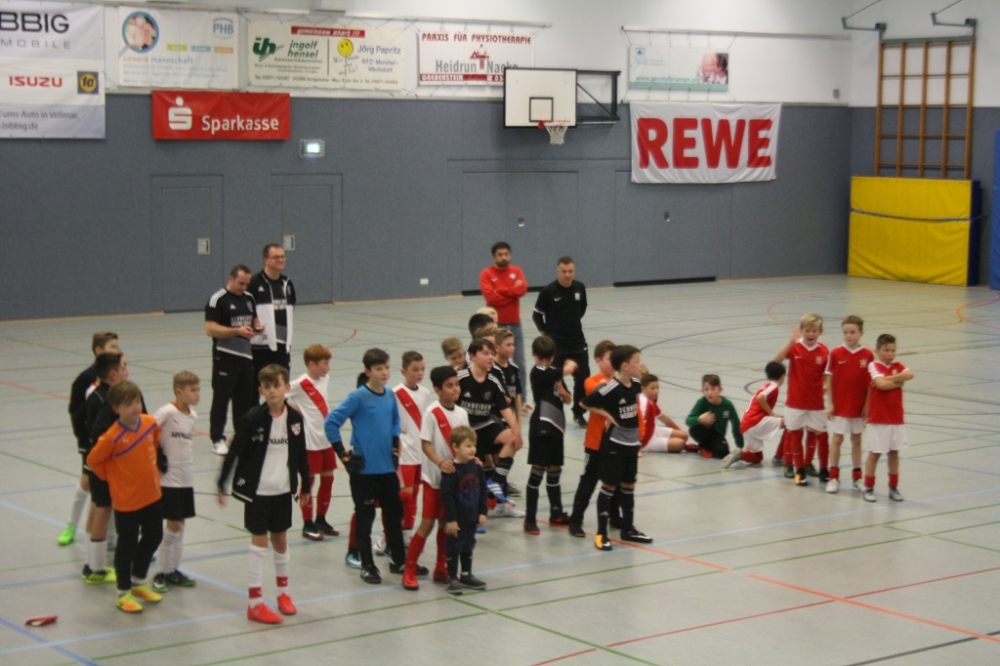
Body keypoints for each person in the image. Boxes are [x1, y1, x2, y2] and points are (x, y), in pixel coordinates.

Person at [217, 364, 311, 624]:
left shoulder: (295, 419)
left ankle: (283, 593)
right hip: (258, 492)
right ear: (260, 390)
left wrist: (306, 485)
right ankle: (255, 603)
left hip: (282, 490)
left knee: (280, 540)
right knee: (259, 542)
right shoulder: (253, 419)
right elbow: (235, 451)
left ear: (286, 387)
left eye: (276, 386)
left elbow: (301, 454)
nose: (272, 391)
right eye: (267, 387)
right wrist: (222, 482)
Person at [324, 348, 407, 585]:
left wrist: (394, 445)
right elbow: (331, 422)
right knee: (365, 517)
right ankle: (367, 565)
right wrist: (343, 455)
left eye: (386, 367)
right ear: (368, 371)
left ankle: (399, 560)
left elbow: (395, 421)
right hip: (364, 472)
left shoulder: (390, 395)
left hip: (387, 469)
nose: (384, 372)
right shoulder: (358, 397)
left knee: (394, 515)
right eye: (379, 369)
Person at [87, 381, 163, 613]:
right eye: (129, 404)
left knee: (154, 536)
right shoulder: (111, 437)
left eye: (137, 401)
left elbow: (155, 444)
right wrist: (112, 478)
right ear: (116, 408)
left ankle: (138, 581)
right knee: (127, 545)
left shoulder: (150, 423)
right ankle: (123, 592)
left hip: (151, 494)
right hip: (127, 501)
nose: (136, 407)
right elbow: (93, 461)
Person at [402, 366, 469, 590]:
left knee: (445, 524)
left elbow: (466, 443)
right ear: (438, 390)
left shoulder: (462, 414)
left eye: (457, 385)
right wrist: (440, 462)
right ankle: (409, 569)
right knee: (427, 524)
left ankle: (441, 567)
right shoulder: (432, 413)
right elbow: (426, 444)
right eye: (449, 386)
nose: (455, 389)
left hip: (453, 482)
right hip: (434, 481)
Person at [581, 344, 653, 551]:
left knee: (629, 485)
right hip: (614, 445)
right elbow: (585, 403)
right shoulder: (610, 388)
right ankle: (601, 534)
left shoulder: (636, 384)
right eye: (637, 362)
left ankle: (628, 529)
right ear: (625, 366)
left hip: (631, 445)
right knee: (609, 487)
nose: (640, 365)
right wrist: (607, 415)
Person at [59, 331, 119, 546]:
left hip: (112, 446)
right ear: (99, 350)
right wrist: (84, 442)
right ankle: (71, 526)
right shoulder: (85, 379)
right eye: (113, 347)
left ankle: (111, 538)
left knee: (111, 490)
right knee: (86, 483)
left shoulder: (117, 377)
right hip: (91, 444)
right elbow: (76, 413)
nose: (117, 350)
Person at [456, 339, 524, 517]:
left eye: (492, 354)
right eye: (485, 353)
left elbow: (504, 407)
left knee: (512, 439)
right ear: (472, 356)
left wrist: (516, 430)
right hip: (467, 431)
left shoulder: (493, 380)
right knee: (469, 475)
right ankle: (473, 515)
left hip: (486, 425)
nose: (490, 357)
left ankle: (496, 481)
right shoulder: (461, 378)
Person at [80, 351, 129, 584]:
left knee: (99, 508)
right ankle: (96, 569)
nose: (127, 371)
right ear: (113, 374)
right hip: (101, 465)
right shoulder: (105, 401)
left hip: (95, 462)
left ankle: (91, 563)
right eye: (123, 367)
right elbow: (101, 436)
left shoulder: (98, 396)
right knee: (102, 509)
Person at [151, 371, 200, 592]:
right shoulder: (167, 412)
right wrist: (156, 455)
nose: (197, 394)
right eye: (193, 390)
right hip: (168, 479)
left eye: (198, 389)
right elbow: (148, 431)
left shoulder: (193, 416)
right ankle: (160, 572)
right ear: (179, 391)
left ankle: (173, 570)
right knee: (173, 525)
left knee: (181, 525)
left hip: (186, 478)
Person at [205, 265, 261, 456]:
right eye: (240, 283)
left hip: (246, 357)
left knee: (244, 400)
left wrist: (258, 326)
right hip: (225, 356)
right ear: (231, 278)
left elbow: (254, 320)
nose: (243, 287)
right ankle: (217, 439)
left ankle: (241, 436)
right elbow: (210, 329)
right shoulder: (218, 299)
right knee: (221, 399)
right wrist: (237, 331)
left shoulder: (249, 298)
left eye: (246, 284)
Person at [523, 335, 576, 534]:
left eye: (548, 359)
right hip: (541, 426)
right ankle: (530, 519)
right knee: (538, 470)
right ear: (534, 356)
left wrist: (563, 392)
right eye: (541, 359)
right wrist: (567, 368)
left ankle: (556, 513)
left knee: (555, 469)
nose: (544, 363)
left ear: (552, 357)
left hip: (557, 426)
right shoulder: (538, 372)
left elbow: (568, 400)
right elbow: (551, 373)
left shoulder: (555, 373)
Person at [286, 344, 339, 541]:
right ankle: (307, 523)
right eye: (324, 364)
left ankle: (321, 519)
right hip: (310, 442)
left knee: (328, 479)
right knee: (308, 482)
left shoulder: (325, 379)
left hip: (326, 439)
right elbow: (278, 396)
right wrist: (295, 411)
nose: (328, 368)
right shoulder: (300, 384)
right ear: (312, 364)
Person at [533, 256, 590, 427]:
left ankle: (578, 412)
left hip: (577, 341)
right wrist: (546, 334)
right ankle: (557, 408)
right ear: (558, 272)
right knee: (556, 378)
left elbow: (582, 309)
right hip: (556, 344)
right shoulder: (548, 291)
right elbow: (537, 315)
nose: (567, 275)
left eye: (570, 271)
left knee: (584, 378)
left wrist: (571, 323)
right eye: (564, 271)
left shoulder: (579, 288)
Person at [773, 314, 830, 486]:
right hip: (795, 401)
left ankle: (813, 465)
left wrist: (825, 387)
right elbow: (776, 361)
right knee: (794, 433)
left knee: (819, 434)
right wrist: (790, 342)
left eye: (814, 331)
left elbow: (827, 374)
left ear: (820, 332)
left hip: (816, 402)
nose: (811, 334)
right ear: (801, 331)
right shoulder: (795, 347)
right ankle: (793, 467)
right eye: (807, 330)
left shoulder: (824, 350)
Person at [567, 340, 616, 537]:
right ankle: (575, 520)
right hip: (595, 441)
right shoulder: (591, 381)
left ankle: (615, 516)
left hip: (614, 440)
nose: (613, 363)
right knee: (589, 480)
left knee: (615, 479)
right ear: (598, 360)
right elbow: (597, 392)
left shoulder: (620, 381)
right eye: (609, 359)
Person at [824, 315, 875, 493]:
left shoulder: (868, 355)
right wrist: (830, 403)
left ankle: (857, 478)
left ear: (861, 333)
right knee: (837, 439)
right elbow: (829, 379)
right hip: (840, 406)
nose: (848, 335)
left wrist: (867, 405)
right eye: (845, 332)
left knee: (856, 440)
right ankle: (833, 477)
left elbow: (871, 383)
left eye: (852, 332)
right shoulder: (836, 353)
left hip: (858, 407)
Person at [863, 334, 914, 502]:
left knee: (894, 453)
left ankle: (893, 487)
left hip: (896, 418)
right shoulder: (873, 365)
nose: (890, 354)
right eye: (886, 350)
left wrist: (889, 379)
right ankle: (868, 487)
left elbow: (910, 374)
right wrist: (897, 381)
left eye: (893, 350)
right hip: (878, 419)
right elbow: (881, 385)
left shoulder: (898, 366)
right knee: (875, 453)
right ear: (877, 351)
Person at [440, 426, 488, 595]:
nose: (472, 449)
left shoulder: (476, 467)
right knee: (454, 547)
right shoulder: (451, 471)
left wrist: (482, 512)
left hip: (471, 516)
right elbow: (447, 497)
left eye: (473, 445)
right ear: (455, 447)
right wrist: (451, 519)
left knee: (468, 545)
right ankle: (452, 577)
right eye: (468, 446)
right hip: (457, 519)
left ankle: (466, 574)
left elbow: (483, 490)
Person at [480, 242, 528, 393]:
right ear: (494, 257)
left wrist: (500, 290)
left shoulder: (517, 271)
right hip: (496, 327)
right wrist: (512, 292)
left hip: (515, 325)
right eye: (500, 255)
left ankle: (522, 398)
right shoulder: (486, 274)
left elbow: (522, 290)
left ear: (510, 255)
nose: (504, 257)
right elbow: (491, 298)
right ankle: (497, 396)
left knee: (520, 363)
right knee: (493, 363)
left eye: (506, 254)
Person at [394, 351, 432, 545]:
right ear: (403, 371)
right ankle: (389, 534)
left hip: (420, 453)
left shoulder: (424, 393)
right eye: (415, 370)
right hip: (404, 454)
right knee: (404, 496)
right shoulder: (395, 394)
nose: (420, 373)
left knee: (415, 495)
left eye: (422, 369)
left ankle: (407, 531)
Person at [723, 362, 786, 469]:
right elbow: (760, 398)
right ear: (782, 376)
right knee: (790, 423)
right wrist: (772, 414)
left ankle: (740, 455)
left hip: (746, 425)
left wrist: (772, 414)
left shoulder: (765, 386)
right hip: (756, 421)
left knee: (757, 457)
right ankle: (779, 457)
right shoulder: (774, 386)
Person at [250, 244, 296, 387]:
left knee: (281, 389)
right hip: (260, 348)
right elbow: (246, 310)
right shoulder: (254, 283)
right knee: (255, 390)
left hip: (283, 348)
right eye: (276, 257)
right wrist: (254, 322)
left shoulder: (287, 284)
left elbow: (290, 310)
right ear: (266, 260)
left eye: (282, 257)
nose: (281, 260)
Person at [684, 374, 743, 459]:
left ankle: (700, 447)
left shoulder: (727, 405)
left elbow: (736, 425)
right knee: (695, 429)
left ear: (720, 390)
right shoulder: (701, 402)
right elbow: (688, 420)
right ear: (702, 391)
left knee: (723, 453)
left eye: (713, 389)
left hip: (717, 436)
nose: (709, 393)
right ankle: (703, 447)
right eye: (706, 389)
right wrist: (699, 419)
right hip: (703, 431)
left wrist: (740, 446)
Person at [638, 374, 691, 454]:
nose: (656, 391)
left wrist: (678, 430)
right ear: (643, 389)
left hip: (654, 430)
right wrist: (638, 447)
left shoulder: (650, 400)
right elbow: (637, 426)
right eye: (652, 388)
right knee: (680, 443)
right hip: (647, 441)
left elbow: (664, 418)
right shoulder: (643, 404)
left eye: (657, 388)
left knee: (684, 435)